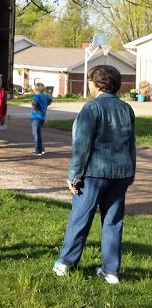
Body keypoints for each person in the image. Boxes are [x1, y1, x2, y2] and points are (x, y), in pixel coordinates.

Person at [53, 65, 136, 285]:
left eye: (90, 81)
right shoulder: (127, 108)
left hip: (94, 173)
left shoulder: (91, 109)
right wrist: (132, 172)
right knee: (113, 221)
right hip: (121, 173)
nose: (89, 85)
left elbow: (81, 146)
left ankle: (65, 263)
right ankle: (111, 272)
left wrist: (74, 176)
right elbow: (131, 145)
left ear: (98, 84)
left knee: (80, 218)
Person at [30, 83, 52, 156]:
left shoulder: (36, 96)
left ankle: (38, 150)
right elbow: (50, 101)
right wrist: (45, 105)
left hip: (35, 117)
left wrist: (35, 107)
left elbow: (34, 103)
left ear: (36, 89)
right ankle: (41, 149)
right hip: (42, 117)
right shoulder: (45, 96)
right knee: (38, 134)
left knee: (36, 134)